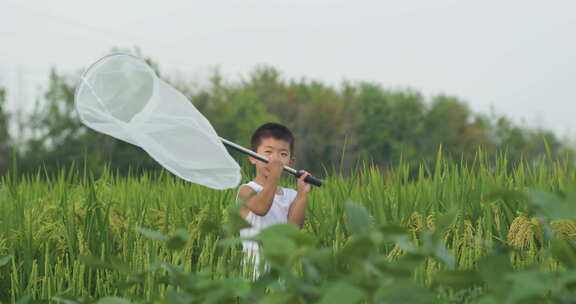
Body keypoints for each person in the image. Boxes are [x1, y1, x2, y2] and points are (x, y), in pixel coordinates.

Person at [236, 122, 311, 278]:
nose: (275, 159)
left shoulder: (291, 195)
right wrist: (274, 176)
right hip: (255, 273)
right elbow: (261, 208)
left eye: (283, 154)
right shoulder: (247, 190)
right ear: (253, 157)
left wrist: (302, 193)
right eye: (268, 152)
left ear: (291, 162)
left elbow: (294, 229)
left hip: (284, 272)